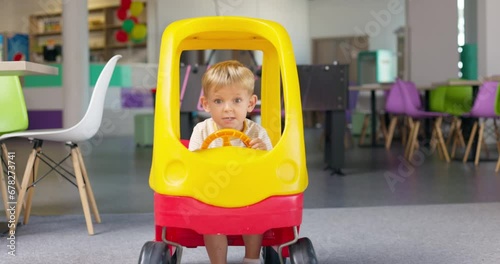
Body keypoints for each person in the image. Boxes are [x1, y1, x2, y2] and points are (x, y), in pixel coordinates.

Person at [188, 60, 273, 264]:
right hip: (213, 193)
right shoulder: (201, 130)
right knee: (211, 223)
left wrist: (263, 154)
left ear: (250, 104)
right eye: (218, 101)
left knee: (256, 216)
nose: (227, 109)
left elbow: (271, 168)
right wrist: (202, 156)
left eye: (236, 100)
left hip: (249, 193)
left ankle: (252, 259)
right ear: (206, 104)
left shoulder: (257, 132)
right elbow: (192, 164)